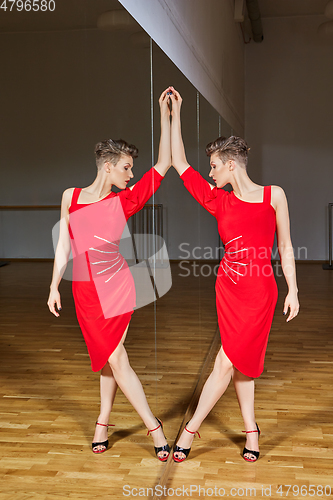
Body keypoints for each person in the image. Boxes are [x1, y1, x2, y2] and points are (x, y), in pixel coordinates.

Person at [169, 86, 299, 462]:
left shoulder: (274, 195)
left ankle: (190, 431)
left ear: (231, 163)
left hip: (260, 291)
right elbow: (179, 164)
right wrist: (176, 114)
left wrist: (292, 289)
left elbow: (286, 246)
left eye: (213, 165)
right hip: (227, 289)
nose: (209, 171)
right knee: (237, 362)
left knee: (227, 361)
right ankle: (251, 431)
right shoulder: (217, 199)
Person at [47, 88, 173, 461]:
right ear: (107, 166)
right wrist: (54, 285)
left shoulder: (124, 199)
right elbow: (64, 245)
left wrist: (167, 116)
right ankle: (103, 421)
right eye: (126, 167)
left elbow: (164, 164)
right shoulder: (71, 196)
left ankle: (153, 427)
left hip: (117, 287)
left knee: (116, 358)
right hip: (85, 292)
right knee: (107, 357)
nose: (131, 174)